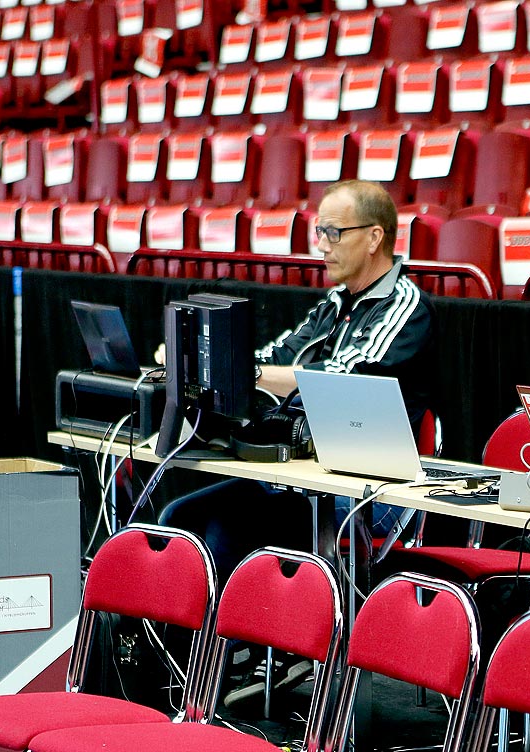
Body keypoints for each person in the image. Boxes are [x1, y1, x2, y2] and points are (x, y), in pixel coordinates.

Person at [157, 180, 438, 580]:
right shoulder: (333, 304)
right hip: (303, 476)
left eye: (334, 233)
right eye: (320, 232)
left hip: (373, 493)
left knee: (226, 528)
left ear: (375, 237)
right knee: (179, 516)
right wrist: (192, 359)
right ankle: (174, 642)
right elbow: (274, 357)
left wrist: (243, 374)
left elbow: (341, 378)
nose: (323, 245)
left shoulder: (407, 307)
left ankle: (218, 641)